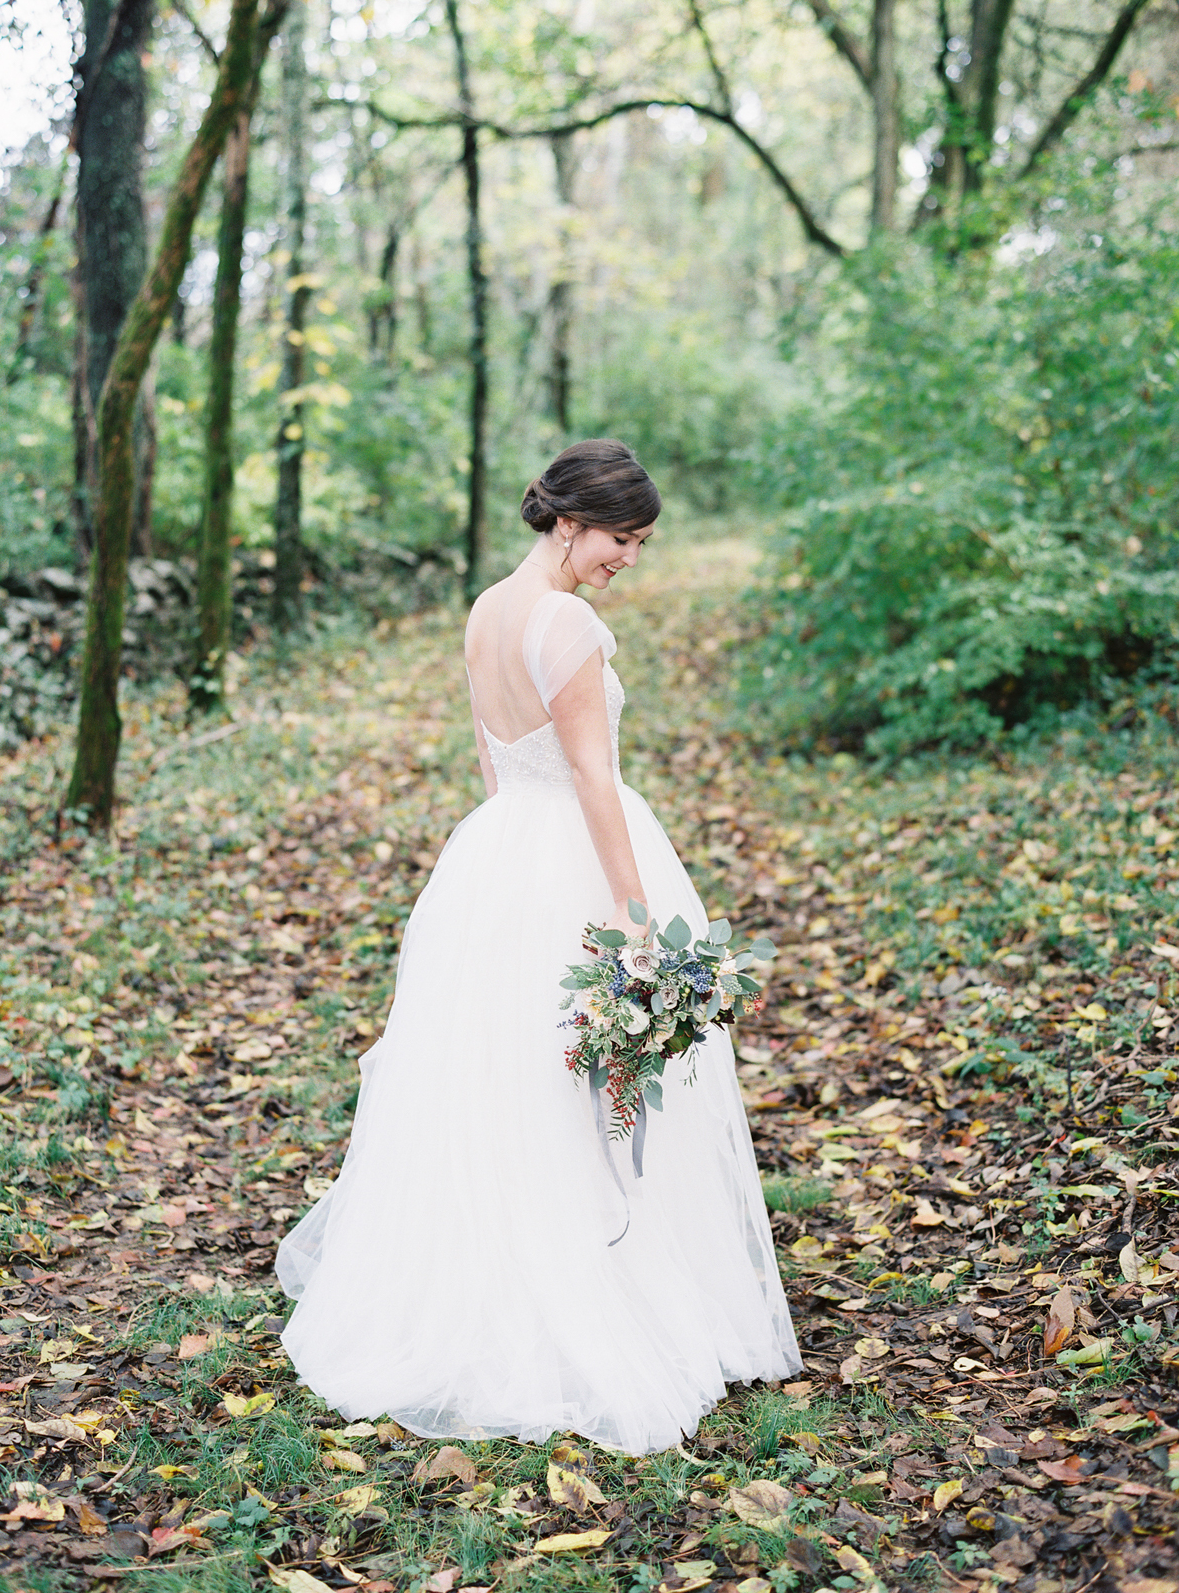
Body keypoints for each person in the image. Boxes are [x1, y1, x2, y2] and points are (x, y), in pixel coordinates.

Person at [276, 439, 802, 1455]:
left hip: (498, 849)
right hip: (572, 852)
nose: (630, 559)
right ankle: (599, 1289)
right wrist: (636, 918)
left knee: (502, 1077)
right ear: (570, 522)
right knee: (581, 1077)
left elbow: (494, 757)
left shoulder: (486, 609)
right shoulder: (570, 623)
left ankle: (498, 1272)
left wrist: (507, 872)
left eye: (641, 542)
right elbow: (595, 781)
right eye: (622, 538)